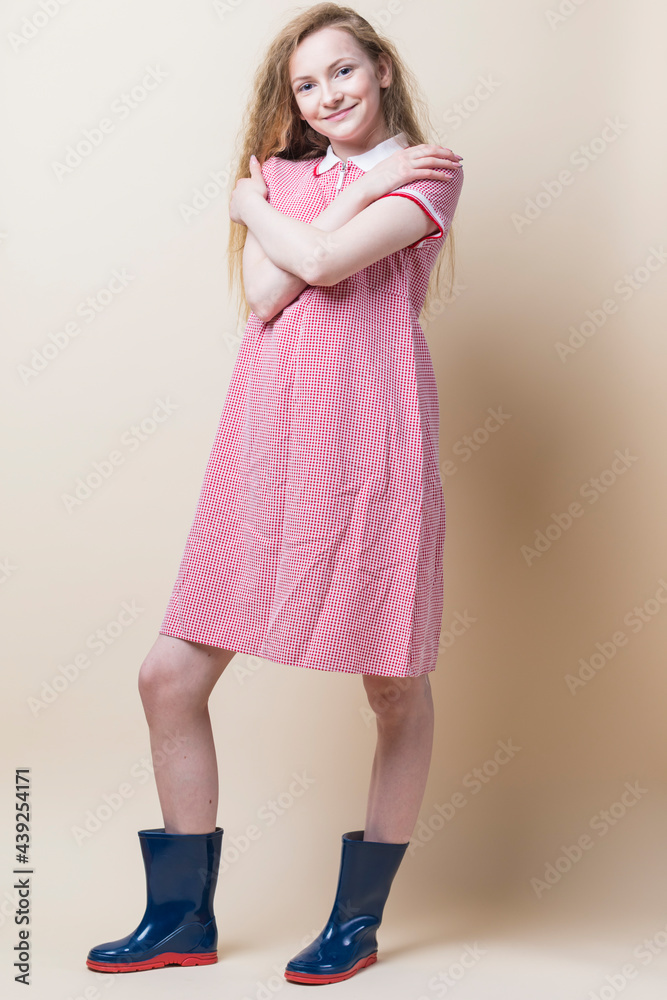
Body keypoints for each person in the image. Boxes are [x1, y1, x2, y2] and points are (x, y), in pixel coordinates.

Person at [85, 1, 464, 985]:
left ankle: (357, 922)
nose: (327, 94)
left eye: (342, 71)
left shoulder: (428, 169)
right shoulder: (287, 175)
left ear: (379, 68)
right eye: (306, 85)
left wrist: (253, 209)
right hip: (265, 440)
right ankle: (180, 918)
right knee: (168, 674)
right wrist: (286, 207)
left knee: (392, 681)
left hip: (372, 442)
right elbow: (265, 293)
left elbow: (323, 262)